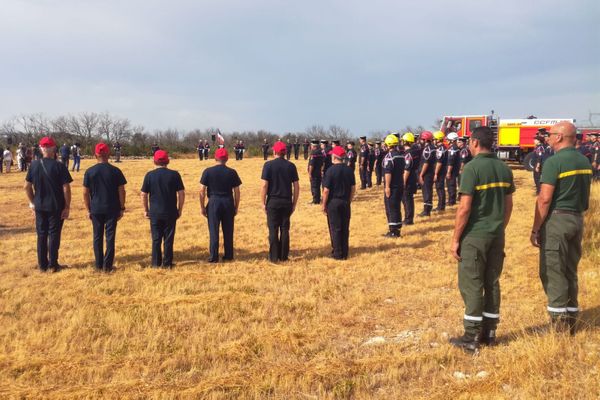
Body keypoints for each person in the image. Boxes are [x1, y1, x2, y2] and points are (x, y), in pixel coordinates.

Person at [449, 126, 515, 352]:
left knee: (472, 284)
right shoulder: (504, 168)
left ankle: (470, 337)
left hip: (475, 236)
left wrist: (456, 238)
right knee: (492, 281)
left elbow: (464, 208)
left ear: (475, 143)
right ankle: (490, 331)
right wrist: (499, 227)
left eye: (469, 142)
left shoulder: (472, 168)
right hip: (496, 235)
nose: (468, 146)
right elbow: (508, 204)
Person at [530, 121, 592, 335]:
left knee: (552, 271)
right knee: (569, 270)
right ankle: (571, 320)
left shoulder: (554, 162)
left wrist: (536, 228)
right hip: (577, 219)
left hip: (557, 220)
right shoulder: (584, 160)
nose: (547, 138)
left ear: (559, 137)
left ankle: (558, 326)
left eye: (550, 134)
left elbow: (545, 199)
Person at [24, 137, 73, 272]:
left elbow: (27, 186)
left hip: (40, 205)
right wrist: (67, 205)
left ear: (41, 148)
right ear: (53, 149)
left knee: (41, 235)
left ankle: (42, 265)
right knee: (54, 234)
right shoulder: (59, 166)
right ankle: (52, 264)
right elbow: (66, 188)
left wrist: (32, 202)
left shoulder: (34, 165)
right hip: (56, 206)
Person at [83, 143, 127, 273]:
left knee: (97, 237)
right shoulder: (115, 171)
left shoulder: (90, 171)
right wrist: (122, 207)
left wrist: (88, 209)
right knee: (110, 237)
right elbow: (122, 191)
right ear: (109, 154)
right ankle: (107, 266)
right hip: (112, 208)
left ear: (95, 155)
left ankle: (98, 264)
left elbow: (85, 193)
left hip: (96, 208)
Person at [141, 150, 185, 268]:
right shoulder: (174, 174)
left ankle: (155, 263)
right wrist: (179, 209)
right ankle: (167, 263)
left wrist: (146, 209)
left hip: (155, 212)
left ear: (154, 161)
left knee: (156, 239)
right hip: (170, 211)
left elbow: (143, 194)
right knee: (168, 238)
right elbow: (181, 193)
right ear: (168, 161)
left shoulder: (149, 175)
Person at [200, 148, 242, 263]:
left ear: (215, 158)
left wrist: (202, 206)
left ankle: (213, 257)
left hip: (214, 201)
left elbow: (202, 190)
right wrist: (236, 206)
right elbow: (237, 191)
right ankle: (228, 255)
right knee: (228, 230)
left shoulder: (207, 171)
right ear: (227, 159)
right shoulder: (232, 172)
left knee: (214, 230)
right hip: (228, 201)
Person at [261, 141, 300, 262]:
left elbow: (264, 185)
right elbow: (296, 186)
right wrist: (294, 203)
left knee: (273, 229)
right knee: (284, 229)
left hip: (273, 200)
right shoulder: (291, 166)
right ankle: (283, 256)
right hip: (286, 201)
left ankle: (273, 256)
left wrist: (263, 202)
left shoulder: (268, 165)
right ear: (285, 152)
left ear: (274, 152)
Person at [322, 146, 356, 260]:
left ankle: (337, 253)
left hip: (333, 202)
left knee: (335, 228)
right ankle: (344, 252)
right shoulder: (349, 170)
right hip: (345, 201)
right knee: (345, 227)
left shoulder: (330, 170)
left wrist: (323, 205)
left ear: (334, 157)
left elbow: (326, 190)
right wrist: (349, 200)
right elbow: (353, 188)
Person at [382, 134, 405, 237]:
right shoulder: (401, 155)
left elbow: (388, 172)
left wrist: (387, 186)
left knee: (391, 207)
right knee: (397, 206)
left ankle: (393, 231)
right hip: (400, 183)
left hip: (393, 185)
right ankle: (397, 227)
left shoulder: (390, 156)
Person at [402, 132, 419, 225]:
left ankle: (408, 219)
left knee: (407, 199)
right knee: (409, 199)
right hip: (413, 177)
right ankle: (409, 218)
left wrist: (403, 182)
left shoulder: (408, 154)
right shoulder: (414, 152)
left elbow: (407, 169)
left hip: (408, 178)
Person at [418, 131, 436, 217]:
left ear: (425, 139)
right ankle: (428, 208)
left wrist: (421, 174)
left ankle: (426, 210)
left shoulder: (427, 149)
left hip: (427, 173)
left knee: (426, 191)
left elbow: (426, 163)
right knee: (428, 190)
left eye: (421, 139)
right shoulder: (433, 147)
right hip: (431, 172)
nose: (420, 140)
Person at [433, 131, 447, 211]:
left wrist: (435, 173)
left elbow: (439, 162)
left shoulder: (440, 149)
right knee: (439, 188)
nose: (434, 140)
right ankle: (441, 205)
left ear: (438, 139)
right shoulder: (442, 147)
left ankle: (441, 206)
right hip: (441, 171)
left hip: (440, 171)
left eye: (435, 139)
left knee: (439, 188)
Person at [446, 133, 461, 206]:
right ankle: (451, 199)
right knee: (451, 185)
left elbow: (451, 161)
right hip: (454, 169)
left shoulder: (453, 149)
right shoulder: (455, 148)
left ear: (452, 140)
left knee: (451, 185)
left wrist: (448, 172)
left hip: (452, 170)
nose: (447, 141)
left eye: (448, 140)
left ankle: (451, 200)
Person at [308, 140, 324, 204]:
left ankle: (315, 200)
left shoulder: (314, 153)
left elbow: (311, 164)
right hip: (319, 171)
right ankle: (318, 198)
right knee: (317, 186)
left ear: (314, 146)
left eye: (311, 146)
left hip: (314, 172)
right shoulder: (321, 152)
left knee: (314, 186)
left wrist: (310, 173)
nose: (311, 147)